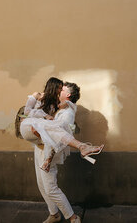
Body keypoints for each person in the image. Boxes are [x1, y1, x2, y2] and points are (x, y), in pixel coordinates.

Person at [20, 78, 103, 223]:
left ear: (68, 95)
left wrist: (48, 158)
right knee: (42, 186)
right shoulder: (57, 106)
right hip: (40, 149)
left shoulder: (67, 113)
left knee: (50, 188)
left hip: (48, 153)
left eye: (62, 89)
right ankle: (54, 214)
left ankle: (72, 217)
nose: (59, 90)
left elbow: (59, 136)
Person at [20, 79, 104, 172]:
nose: (60, 91)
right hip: (28, 126)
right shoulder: (37, 95)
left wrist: (67, 103)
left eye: (62, 89)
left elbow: (56, 129)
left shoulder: (55, 105)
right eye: (60, 88)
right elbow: (26, 112)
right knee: (52, 126)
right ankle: (82, 146)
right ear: (53, 87)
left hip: (39, 133)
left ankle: (82, 147)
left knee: (55, 126)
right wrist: (45, 116)